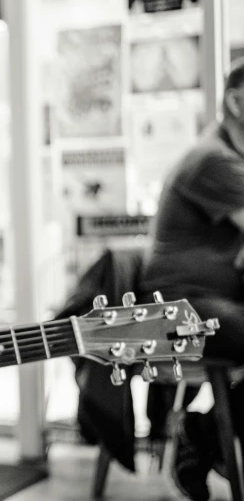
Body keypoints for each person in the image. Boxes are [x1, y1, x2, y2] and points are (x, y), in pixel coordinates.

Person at [141, 57, 244, 501]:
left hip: (208, 299)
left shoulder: (224, 154)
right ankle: (201, 435)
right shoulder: (214, 160)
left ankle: (202, 437)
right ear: (237, 102)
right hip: (181, 309)